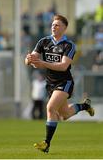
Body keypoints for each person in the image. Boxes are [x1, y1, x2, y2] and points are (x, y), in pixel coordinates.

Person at [25, 15, 95, 153]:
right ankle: (85, 105)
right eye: (52, 24)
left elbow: (63, 66)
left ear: (64, 28)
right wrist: (29, 60)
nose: (53, 27)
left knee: (50, 108)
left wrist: (42, 63)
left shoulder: (69, 45)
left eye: (57, 25)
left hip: (65, 82)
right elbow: (32, 61)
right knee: (64, 115)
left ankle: (46, 144)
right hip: (50, 83)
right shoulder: (43, 41)